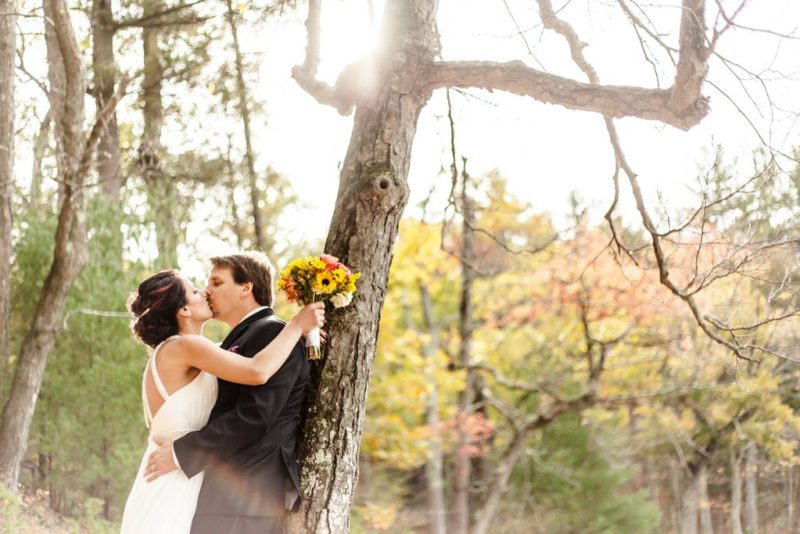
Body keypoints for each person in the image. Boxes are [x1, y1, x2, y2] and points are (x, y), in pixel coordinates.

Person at [120, 257, 323, 534]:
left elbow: (251, 374)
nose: (204, 291)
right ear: (183, 309)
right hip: (176, 474)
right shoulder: (188, 347)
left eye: (214, 283)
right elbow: (256, 370)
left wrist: (293, 336)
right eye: (196, 290)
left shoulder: (198, 350)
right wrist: (296, 325)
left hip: (192, 479)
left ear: (245, 288)